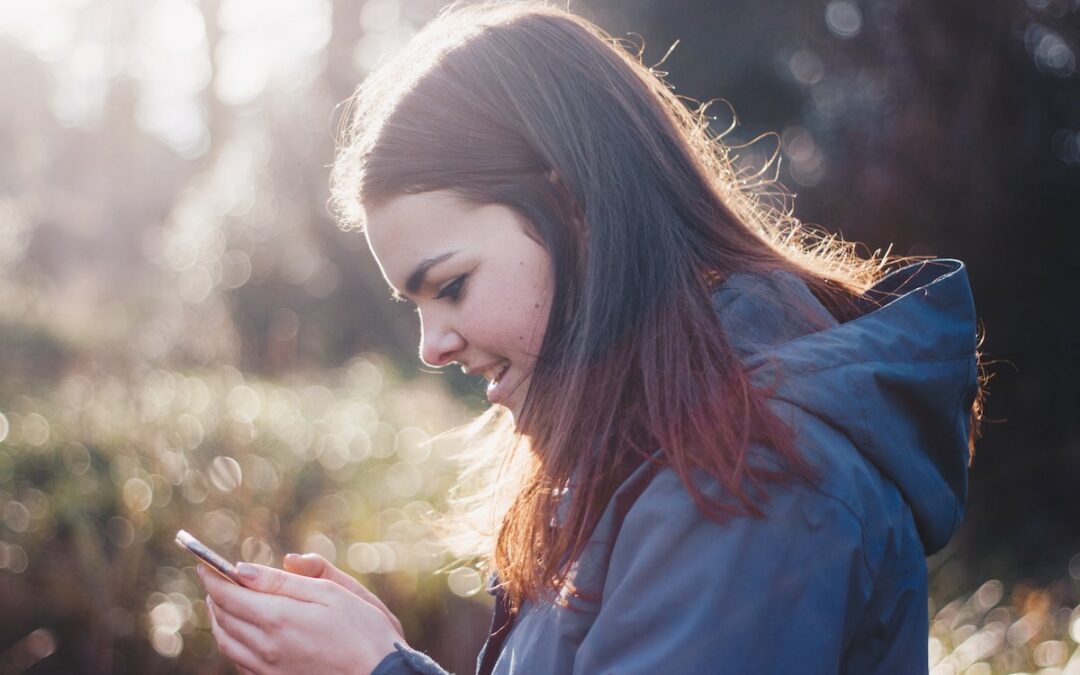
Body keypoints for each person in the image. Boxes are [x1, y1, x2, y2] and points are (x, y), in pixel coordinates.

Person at [198, 2, 983, 673]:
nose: (432, 344)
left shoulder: (750, 476)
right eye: (415, 304)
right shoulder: (661, 452)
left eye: (451, 285)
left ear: (574, 208)